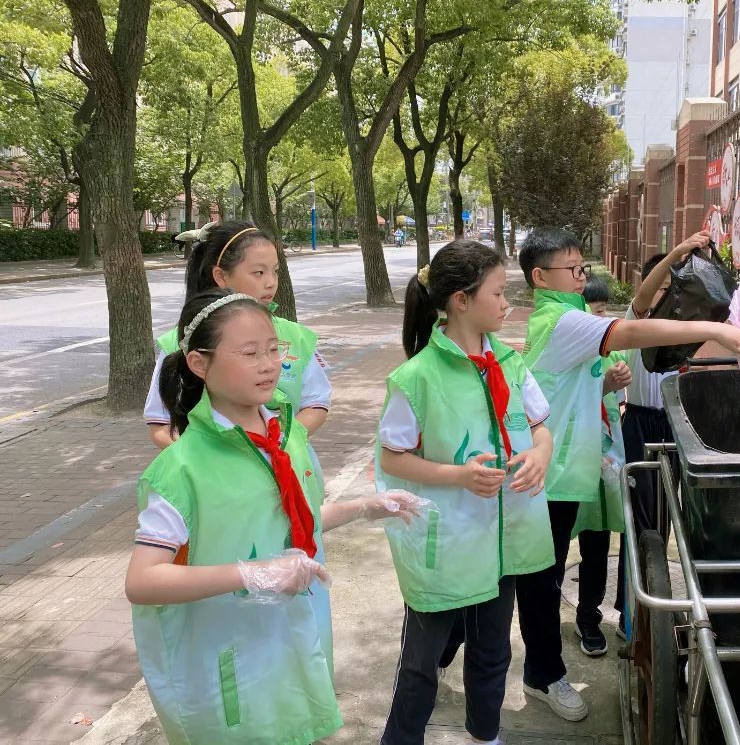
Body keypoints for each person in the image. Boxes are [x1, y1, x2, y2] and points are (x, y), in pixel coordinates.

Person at [125, 288, 418, 744]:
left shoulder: (284, 437)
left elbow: (292, 521)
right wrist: (250, 573)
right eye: (249, 353)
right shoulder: (182, 469)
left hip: (288, 643)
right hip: (224, 664)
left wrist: (365, 507)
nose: (268, 365)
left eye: (273, 349)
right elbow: (143, 581)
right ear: (199, 364)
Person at [515, 227, 740, 721]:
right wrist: (717, 331)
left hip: (559, 470)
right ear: (541, 277)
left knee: (541, 575)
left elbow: (626, 322)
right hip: (549, 474)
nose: (581, 277)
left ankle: (530, 664)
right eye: (573, 269)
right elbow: (631, 330)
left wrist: (677, 256)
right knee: (539, 581)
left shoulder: (565, 316)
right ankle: (542, 673)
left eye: (583, 268)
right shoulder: (561, 321)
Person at [376, 240, 556, 745]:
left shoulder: (510, 363)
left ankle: (486, 734)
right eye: (497, 293)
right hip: (448, 543)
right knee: (421, 663)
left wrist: (540, 454)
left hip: (502, 539)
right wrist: (458, 475)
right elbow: (392, 457)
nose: (507, 304)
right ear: (461, 300)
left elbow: (540, 426)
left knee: (493, 651)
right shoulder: (415, 378)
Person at [144, 221, 332, 450]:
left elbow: (316, 402)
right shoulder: (180, 341)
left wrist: (280, 445)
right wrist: (203, 458)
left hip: (287, 463)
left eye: (275, 271)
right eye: (259, 273)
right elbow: (161, 424)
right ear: (221, 276)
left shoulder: (297, 336)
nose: (271, 282)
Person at [613, 230, 712, 637]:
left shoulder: (686, 330)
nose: (666, 295)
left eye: (674, 289)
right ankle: (632, 618)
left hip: (678, 427)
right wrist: (676, 254)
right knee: (640, 523)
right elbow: (642, 295)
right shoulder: (636, 321)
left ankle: (667, 612)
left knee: (671, 520)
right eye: (662, 287)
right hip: (640, 424)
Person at [570, 275, 632, 656]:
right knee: (555, 545)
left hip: (605, 463)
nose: (599, 319)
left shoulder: (612, 353)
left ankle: (588, 616)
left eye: (603, 311)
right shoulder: (568, 353)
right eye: (592, 311)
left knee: (597, 540)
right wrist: (604, 385)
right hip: (569, 464)